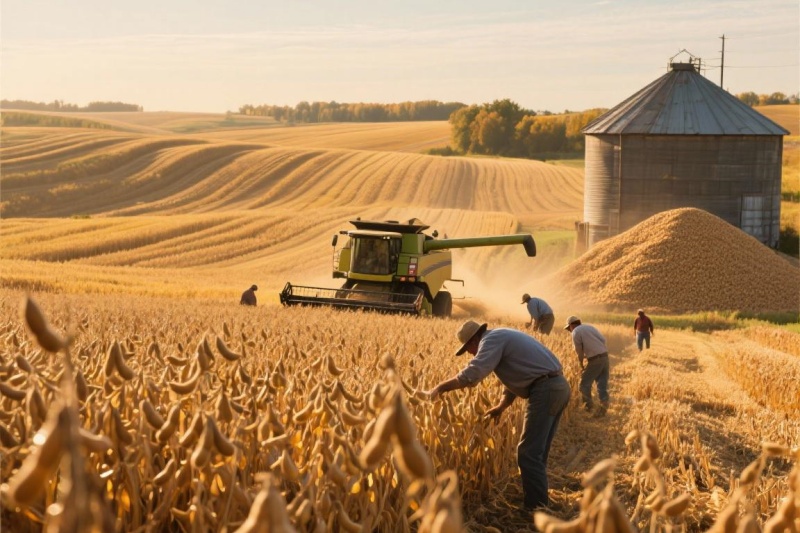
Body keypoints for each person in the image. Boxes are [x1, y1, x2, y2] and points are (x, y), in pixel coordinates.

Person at [426, 320, 571, 511]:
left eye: (468, 348)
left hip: (546, 390)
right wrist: (501, 407)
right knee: (537, 451)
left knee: (528, 453)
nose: (470, 353)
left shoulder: (491, 340)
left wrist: (440, 388)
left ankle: (537, 508)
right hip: (557, 386)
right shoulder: (501, 336)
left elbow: (474, 372)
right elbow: (516, 377)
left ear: (474, 339)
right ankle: (540, 501)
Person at [564, 316, 609, 417]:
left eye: (568, 328)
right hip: (605, 356)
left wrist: (580, 363)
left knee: (584, 384)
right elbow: (603, 340)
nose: (569, 331)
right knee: (602, 383)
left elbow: (578, 350)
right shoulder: (590, 327)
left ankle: (589, 408)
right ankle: (604, 406)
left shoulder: (575, 332)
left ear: (571, 325)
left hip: (595, 360)